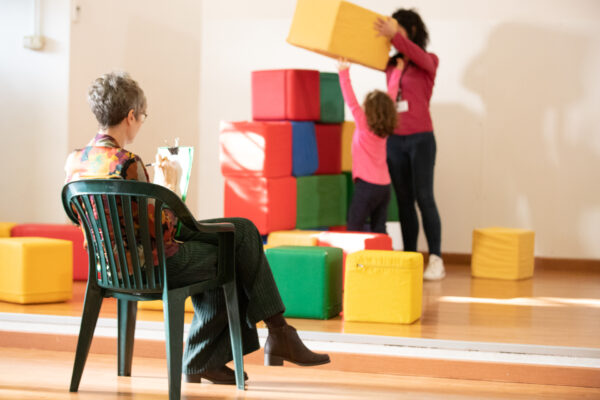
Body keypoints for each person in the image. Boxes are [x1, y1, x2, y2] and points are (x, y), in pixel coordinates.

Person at [64, 71, 329, 385]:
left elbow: (81, 217)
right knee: (233, 248)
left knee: (240, 230)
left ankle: (242, 347)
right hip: (152, 267)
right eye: (142, 117)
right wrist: (170, 189)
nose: (141, 122)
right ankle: (255, 341)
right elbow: (164, 229)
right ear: (131, 115)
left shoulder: (75, 161)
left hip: (109, 268)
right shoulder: (128, 163)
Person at [374, 9, 445, 280]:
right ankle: (410, 258)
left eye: (397, 28)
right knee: (404, 202)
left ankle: (436, 259)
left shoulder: (428, 61)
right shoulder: (391, 64)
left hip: (421, 139)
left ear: (411, 30)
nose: (392, 33)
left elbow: (418, 55)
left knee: (424, 197)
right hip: (395, 141)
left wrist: (397, 37)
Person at [337, 58, 402, 233]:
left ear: (368, 109)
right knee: (379, 228)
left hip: (366, 186)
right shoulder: (385, 129)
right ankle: (382, 251)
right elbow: (391, 96)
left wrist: (343, 73)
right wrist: (397, 72)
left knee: (354, 225)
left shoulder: (363, 123)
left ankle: (353, 254)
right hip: (384, 186)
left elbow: (350, 100)